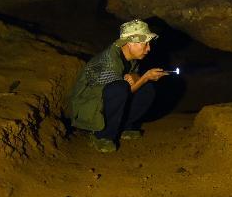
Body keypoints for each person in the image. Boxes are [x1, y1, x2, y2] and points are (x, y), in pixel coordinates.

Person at [69, 19, 169, 152]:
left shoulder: (130, 58)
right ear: (130, 43)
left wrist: (137, 77)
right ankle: (101, 135)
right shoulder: (108, 61)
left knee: (147, 89)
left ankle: (124, 126)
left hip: (104, 103)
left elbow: (133, 80)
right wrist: (144, 78)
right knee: (121, 88)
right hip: (88, 109)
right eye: (145, 44)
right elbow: (120, 92)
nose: (149, 48)